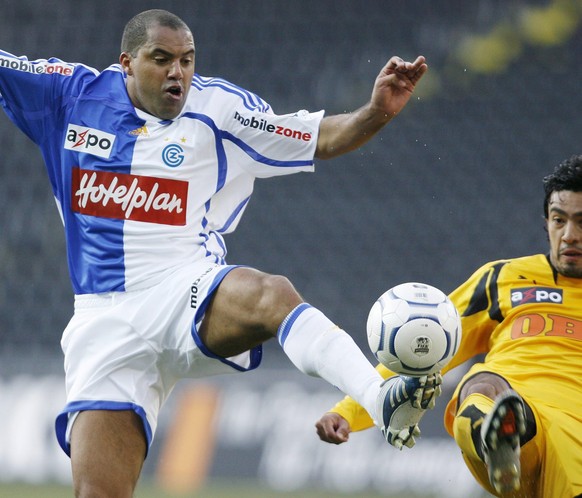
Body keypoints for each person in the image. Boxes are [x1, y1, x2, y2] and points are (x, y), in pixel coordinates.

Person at [0, 9, 443, 498]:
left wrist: (375, 110)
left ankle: (382, 400)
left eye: (187, 60)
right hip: (102, 323)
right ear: (126, 63)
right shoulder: (69, 96)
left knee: (271, 294)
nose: (178, 73)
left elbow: (321, 138)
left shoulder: (220, 109)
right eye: (162, 59)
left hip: (182, 285)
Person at [315, 155, 582, 497]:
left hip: (571, 447)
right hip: (518, 432)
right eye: (559, 220)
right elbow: (422, 348)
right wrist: (348, 411)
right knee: (481, 383)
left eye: (581, 222)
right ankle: (499, 440)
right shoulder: (503, 279)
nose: (569, 235)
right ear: (546, 221)